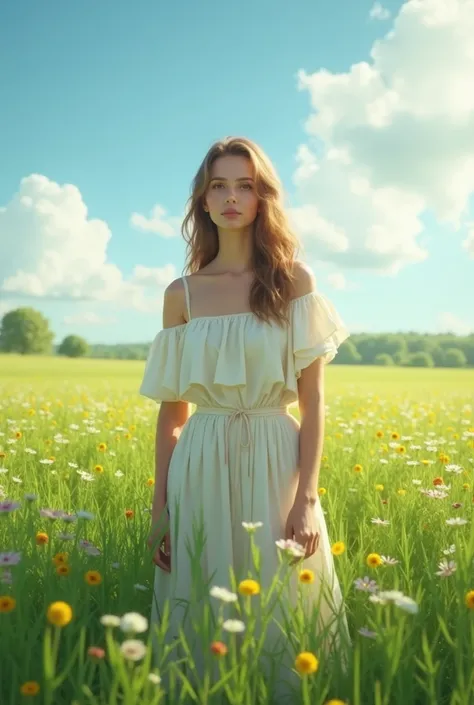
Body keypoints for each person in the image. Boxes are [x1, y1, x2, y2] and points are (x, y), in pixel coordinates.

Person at [139, 136, 351, 702]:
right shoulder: (180, 293)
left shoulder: (293, 282)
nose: (232, 197)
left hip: (273, 454)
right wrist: (162, 505)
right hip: (200, 460)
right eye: (219, 185)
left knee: (281, 605)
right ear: (203, 201)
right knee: (201, 602)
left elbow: (314, 403)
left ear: (262, 199)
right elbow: (172, 415)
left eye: (245, 185)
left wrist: (306, 498)